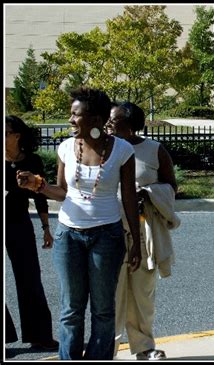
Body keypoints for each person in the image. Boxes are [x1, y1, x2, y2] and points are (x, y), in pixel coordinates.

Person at [17, 87, 142, 360]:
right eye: (71, 114)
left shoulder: (121, 150)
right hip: (69, 236)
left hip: (107, 236)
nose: (71, 120)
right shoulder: (65, 148)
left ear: (96, 119)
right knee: (71, 309)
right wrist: (37, 185)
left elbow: (130, 199)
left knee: (103, 309)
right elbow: (62, 192)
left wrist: (136, 243)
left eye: (76, 115)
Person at [106, 101, 180, 360]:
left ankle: (144, 347)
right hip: (110, 230)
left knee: (142, 294)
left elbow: (172, 187)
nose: (109, 125)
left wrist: (148, 193)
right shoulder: (105, 149)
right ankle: (107, 349)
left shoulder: (154, 150)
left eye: (114, 121)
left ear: (130, 125)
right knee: (110, 293)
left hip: (142, 229)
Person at [5, 115, 58, 351]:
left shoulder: (31, 161)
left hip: (18, 222)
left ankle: (40, 336)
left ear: (17, 135)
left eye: (5, 131)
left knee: (29, 277)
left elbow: (40, 198)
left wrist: (46, 228)